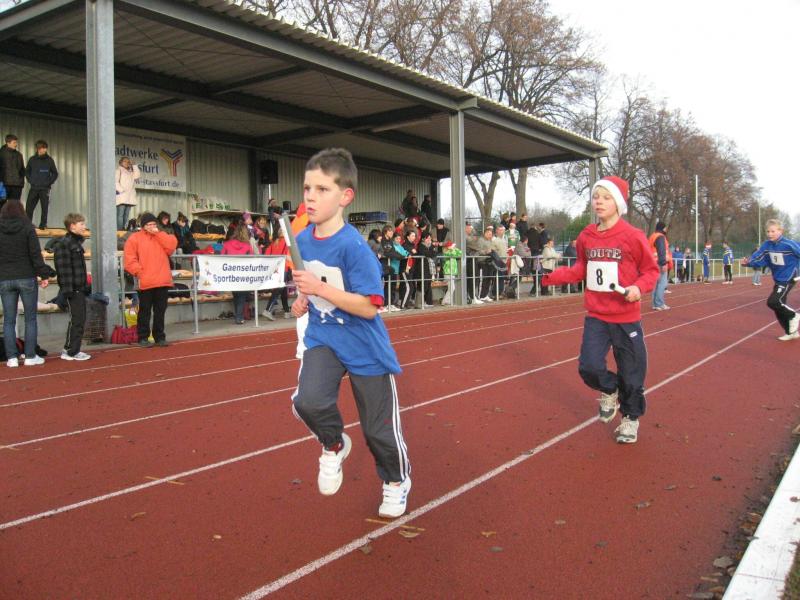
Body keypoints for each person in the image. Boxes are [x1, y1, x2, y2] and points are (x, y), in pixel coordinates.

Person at [289, 148, 411, 518]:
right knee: (307, 402)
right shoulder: (302, 240)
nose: (311, 196)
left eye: (322, 189)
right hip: (323, 337)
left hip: (363, 344)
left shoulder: (355, 247)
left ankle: (396, 481)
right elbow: (311, 285)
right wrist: (303, 300)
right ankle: (333, 444)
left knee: (378, 431)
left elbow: (369, 306)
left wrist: (320, 289)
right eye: (307, 188)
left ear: (345, 196)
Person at [542, 176, 659, 444]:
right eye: (596, 197)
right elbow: (581, 269)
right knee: (589, 366)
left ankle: (630, 419)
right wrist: (551, 276)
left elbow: (651, 271)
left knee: (632, 372)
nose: (599, 202)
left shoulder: (633, 236)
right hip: (597, 315)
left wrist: (638, 288)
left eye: (606, 197)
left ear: (618, 202)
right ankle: (609, 389)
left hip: (626, 318)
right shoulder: (587, 236)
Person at [0, 200, 51, 367]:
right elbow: (35, 254)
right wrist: (44, 274)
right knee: (30, 318)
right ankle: (30, 355)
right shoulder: (28, 227)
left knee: (8, 320)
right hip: (26, 276)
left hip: (5, 278)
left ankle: (11, 358)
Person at [123, 212, 178, 347]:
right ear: (143, 226)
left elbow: (172, 246)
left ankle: (160, 337)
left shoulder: (162, 236)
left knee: (160, 311)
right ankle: (143, 337)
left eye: (153, 224)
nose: (151, 226)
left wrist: (158, 234)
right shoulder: (135, 238)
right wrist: (139, 273)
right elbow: (129, 259)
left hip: (162, 280)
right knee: (144, 311)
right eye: (148, 224)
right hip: (146, 281)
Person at [742, 219, 800, 341]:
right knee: (778, 308)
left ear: (780, 231)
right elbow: (759, 258)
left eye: (773, 231)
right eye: (768, 231)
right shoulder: (766, 245)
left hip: (789, 277)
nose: (770, 234)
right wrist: (748, 262)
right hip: (778, 278)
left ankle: (794, 315)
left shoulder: (789, 244)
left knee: (773, 302)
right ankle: (791, 332)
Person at [54, 213, 91, 359]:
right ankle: (72, 351)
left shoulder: (75, 243)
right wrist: (68, 290)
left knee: (78, 319)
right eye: (81, 224)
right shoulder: (65, 244)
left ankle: (70, 348)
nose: (84, 227)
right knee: (77, 320)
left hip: (79, 288)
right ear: (72, 226)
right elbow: (63, 269)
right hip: (73, 289)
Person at [220, 221, 254, 324]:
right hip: (243, 274)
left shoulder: (227, 244)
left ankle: (238, 316)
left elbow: (221, 258)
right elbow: (252, 259)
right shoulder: (247, 246)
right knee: (242, 296)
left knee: (236, 296)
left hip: (231, 274)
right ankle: (239, 317)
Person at [24, 140, 59, 230]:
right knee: (29, 207)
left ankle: (43, 225)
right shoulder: (32, 159)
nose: (44, 150)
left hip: (45, 189)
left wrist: (48, 182)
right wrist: (31, 181)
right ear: (38, 148)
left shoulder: (49, 160)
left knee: (45, 208)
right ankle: (27, 225)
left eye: (45, 148)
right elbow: (27, 171)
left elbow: (55, 173)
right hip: (34, 187)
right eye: (43, 148)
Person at [262, 227, 292, 320]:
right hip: (284, 268)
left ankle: (287, 311)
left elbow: (267, 255)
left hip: (275, 268)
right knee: (279, 289)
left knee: (282, 289)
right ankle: (268, 310)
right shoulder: (287, 243)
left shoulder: (274, 242)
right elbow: (289, 256)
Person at [649, 221, 671, 310]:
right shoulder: (660, 237)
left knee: (656, 284)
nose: (666, 229)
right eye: (665, 228)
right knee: (662, 284)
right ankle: (659, 303)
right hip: (659, 263)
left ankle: (655, 304)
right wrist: (663, 263)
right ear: (663, 228)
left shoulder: (652, 236)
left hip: (653, 263)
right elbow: (661, 251)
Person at [115, 156, 140, 231]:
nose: (127, 163)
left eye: (128, 162)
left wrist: (134, 165)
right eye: (125, 161)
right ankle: (119, 230)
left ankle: (124, 229)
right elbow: (115, 182)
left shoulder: (131, 172)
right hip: (122, 196)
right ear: (121, 162)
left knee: (126, 215)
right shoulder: (118, 170)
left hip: (129, 197)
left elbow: (137, 176)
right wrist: (122, 191)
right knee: (120, 214)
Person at [441, 240, 462, 305]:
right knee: (452, 288)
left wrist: (455, 248)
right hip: (448, 272)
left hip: (452, 272)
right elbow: (452, 254)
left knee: (451, 288)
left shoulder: (451, 251)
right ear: (448, 247)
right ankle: (445, 301)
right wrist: (452, 249)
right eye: (452, 246)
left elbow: (460, 253)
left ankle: (448, 301)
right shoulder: (446, 252)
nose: (454, 247)